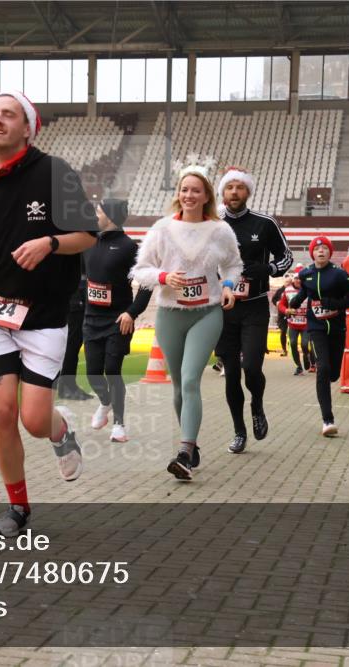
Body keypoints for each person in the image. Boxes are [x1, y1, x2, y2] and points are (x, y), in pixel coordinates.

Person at [0, 90, 98, 537]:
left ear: (28, 127)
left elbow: (87, 235)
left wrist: (50, 243)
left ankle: (60, 433)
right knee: (0, 413)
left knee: (34, 420)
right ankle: (17, 509)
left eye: (7, 115)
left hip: (46, 315)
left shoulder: (55, 174)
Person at [131, 165, 242, 480]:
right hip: (170, 313)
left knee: (191, 379)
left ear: (206, 195)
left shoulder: (219, 230)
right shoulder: (162, 229)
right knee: (179, 386)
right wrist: (165, 276)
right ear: (178, 194)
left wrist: (230, 287)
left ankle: (184, 449)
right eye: (184, 189)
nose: (189, 195)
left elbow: (233, 265)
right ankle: (191, 450)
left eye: (196, 190)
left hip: (206, 312)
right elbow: (140, 271)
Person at [213, 168, 293, 455]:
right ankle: (239, 431)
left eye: (240, 187)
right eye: (229, 187)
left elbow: (287, 257)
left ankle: (257, 405)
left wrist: (269, 269)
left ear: (248, 192)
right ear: (222, 192)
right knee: (231, 372)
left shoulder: (265, 223)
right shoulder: (212, 223)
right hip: (222, 309)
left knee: (251, 368)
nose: (234, 192)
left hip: (255, 306)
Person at [83, 198, 152, 443]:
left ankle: (119, 425)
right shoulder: (89, 242)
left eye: (99, 211)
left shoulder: (130, 248)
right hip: (91, 320)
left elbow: (146, 285)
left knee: (112, 371)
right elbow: (83, 279)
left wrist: (131, 313)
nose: (95, 215)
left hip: (118, 320)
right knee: (93, 373)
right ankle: (105, 402)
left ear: (110, 216)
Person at [288, 236, 349, 437]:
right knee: (323, 368)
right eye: (317, 248)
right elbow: (304, 294)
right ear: (312, 253)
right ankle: (327, 420)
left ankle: (328, 379)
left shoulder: (339, 275)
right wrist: (290, 305)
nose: (321, 251)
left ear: (330, 252)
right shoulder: (306, 274)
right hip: (316, 327)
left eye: (324, 248)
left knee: (334, 373)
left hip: (336, 328)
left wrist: (334, 304)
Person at [57, 259, 95, 401]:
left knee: (73, 343)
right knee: (72, 343)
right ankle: (67, 386)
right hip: (77, 294)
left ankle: (66, 385)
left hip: (77, 291)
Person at [278, 266, 313, 375]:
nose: (298, 281)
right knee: (292, 344)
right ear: (293, 279)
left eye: (300, 279)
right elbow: (281, 304)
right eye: (296, 278)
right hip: (292, 323)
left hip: (306, 324)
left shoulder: (309, 290)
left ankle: (307, 357)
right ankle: (298, 366)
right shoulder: (287, 290)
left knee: (304, 344)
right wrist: (286, 310)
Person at [271, 281, 289, 357]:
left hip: (294, 314)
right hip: (282, 314)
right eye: (287, 282)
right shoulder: (280, 290)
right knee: (283, 332)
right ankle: (284, 350)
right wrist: (278, 303)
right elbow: (274, 300)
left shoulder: (296, 289)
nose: (289, 283)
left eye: (290, 282)